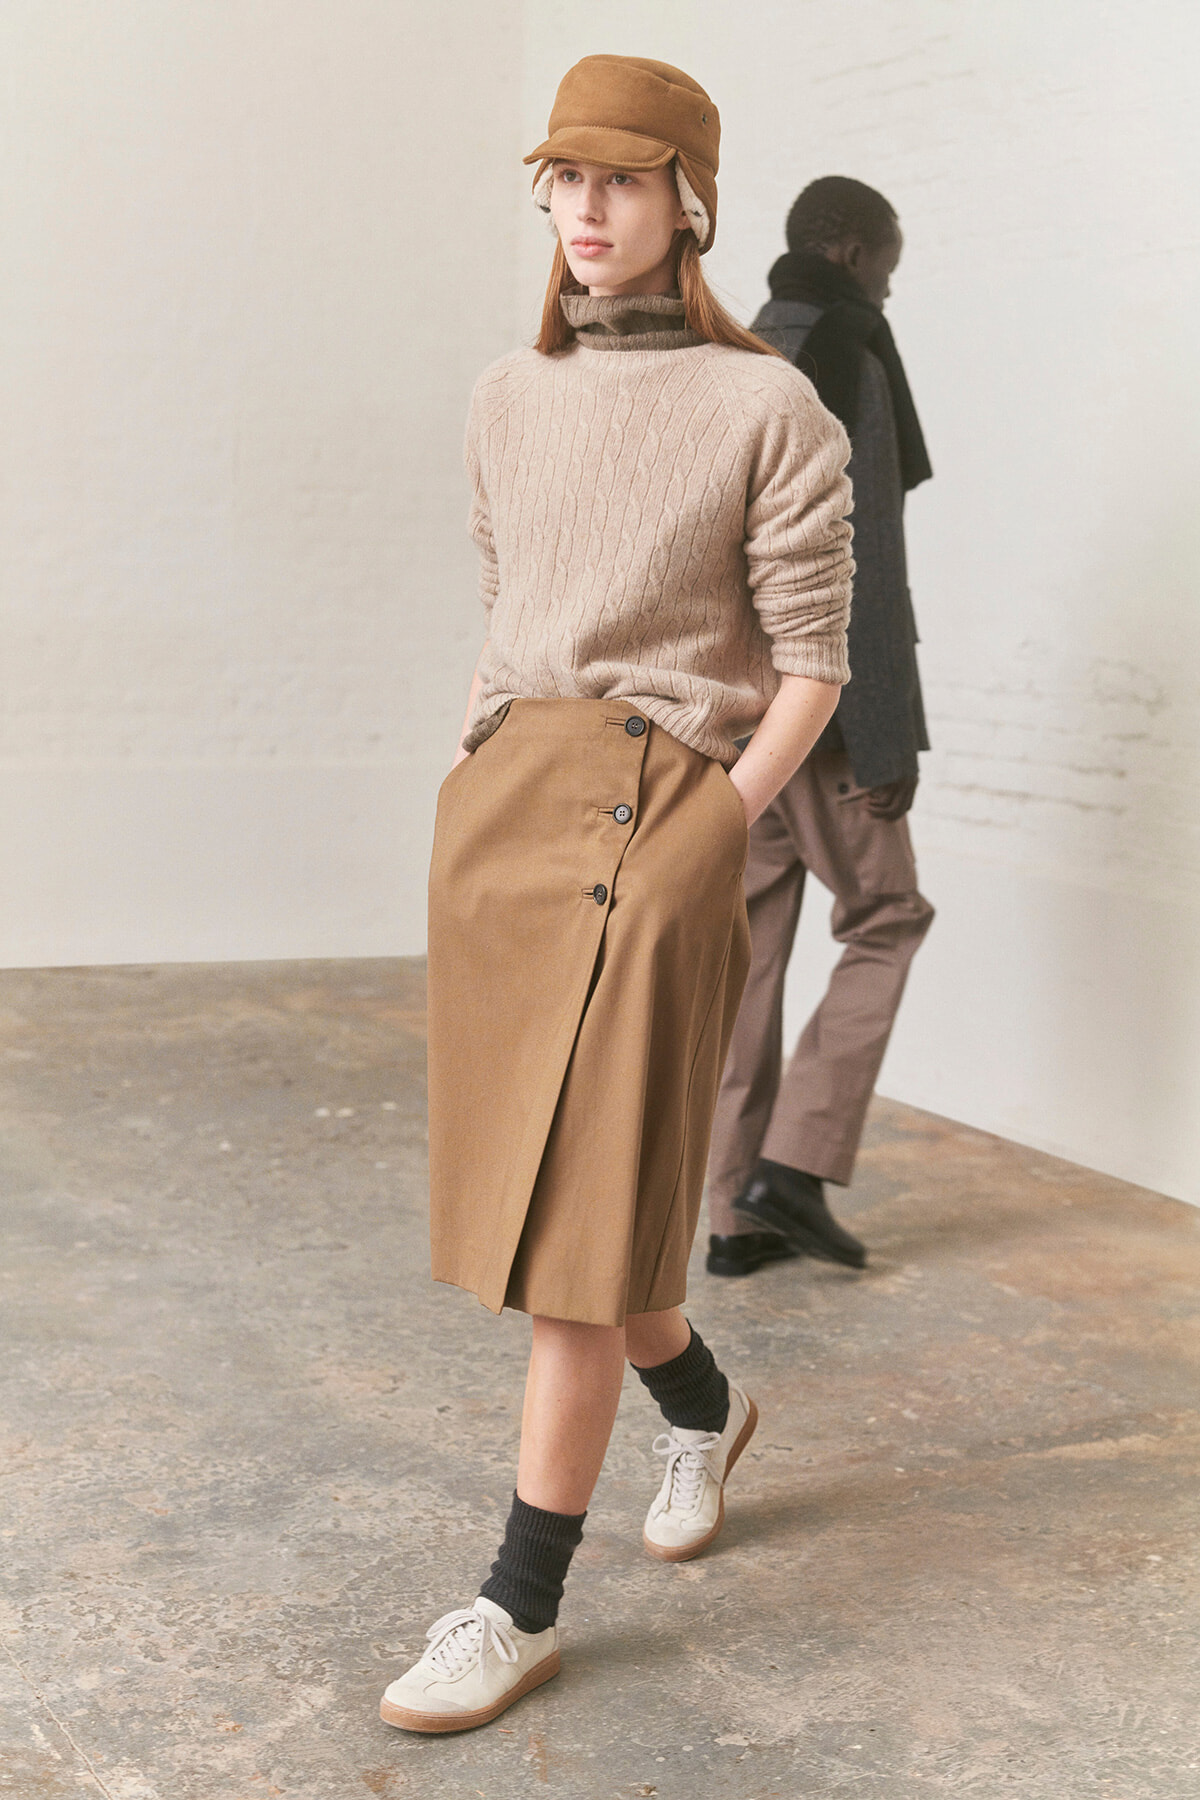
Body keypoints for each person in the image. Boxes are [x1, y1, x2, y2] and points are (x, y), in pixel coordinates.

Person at [379, 59, 853, 1734]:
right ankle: (704, 1409)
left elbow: (811, 659)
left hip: (664, 813)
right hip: (507, 816)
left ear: (689, 201)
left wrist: (711, 829)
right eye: (563, 182)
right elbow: (512, 593)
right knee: (564, 1209)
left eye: (623, 182)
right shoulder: (509, 394)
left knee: (578, 1249)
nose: (585, 213)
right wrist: (470, 765)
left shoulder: (770, 410)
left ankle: (516, 1604)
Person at [706, 175, 935, 1280]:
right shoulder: (853, 346)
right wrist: (889, 739)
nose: (894, 275)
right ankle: (791, 1171)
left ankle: (730, 1214)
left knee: (746, 950)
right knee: (887, 913)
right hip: (833, 710)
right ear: (848, 249)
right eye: (888, 254)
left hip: (739, 718)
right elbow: (867, 565)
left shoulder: (736, 350)